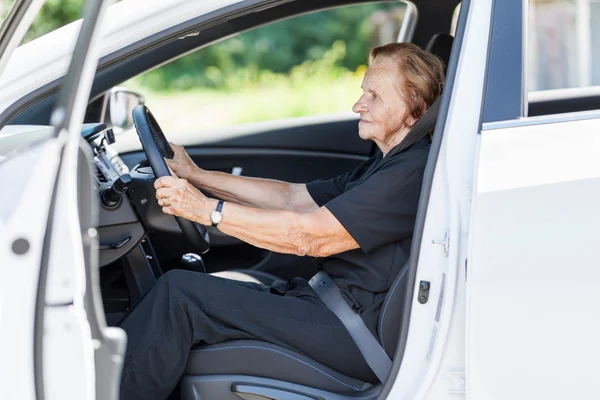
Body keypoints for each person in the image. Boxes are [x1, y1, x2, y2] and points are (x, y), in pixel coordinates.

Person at [119, 42, 445, 399]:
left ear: (416, 109)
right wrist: (196, 175)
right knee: (181, 288)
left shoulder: (409, 175)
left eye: (374, 96)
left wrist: (206, 211)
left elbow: (310, 237)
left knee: (179, 295)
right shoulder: (390, 162)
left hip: (353, 332)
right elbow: (292, 198)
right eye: (361, 93)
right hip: (329, 304)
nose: (357, 106)